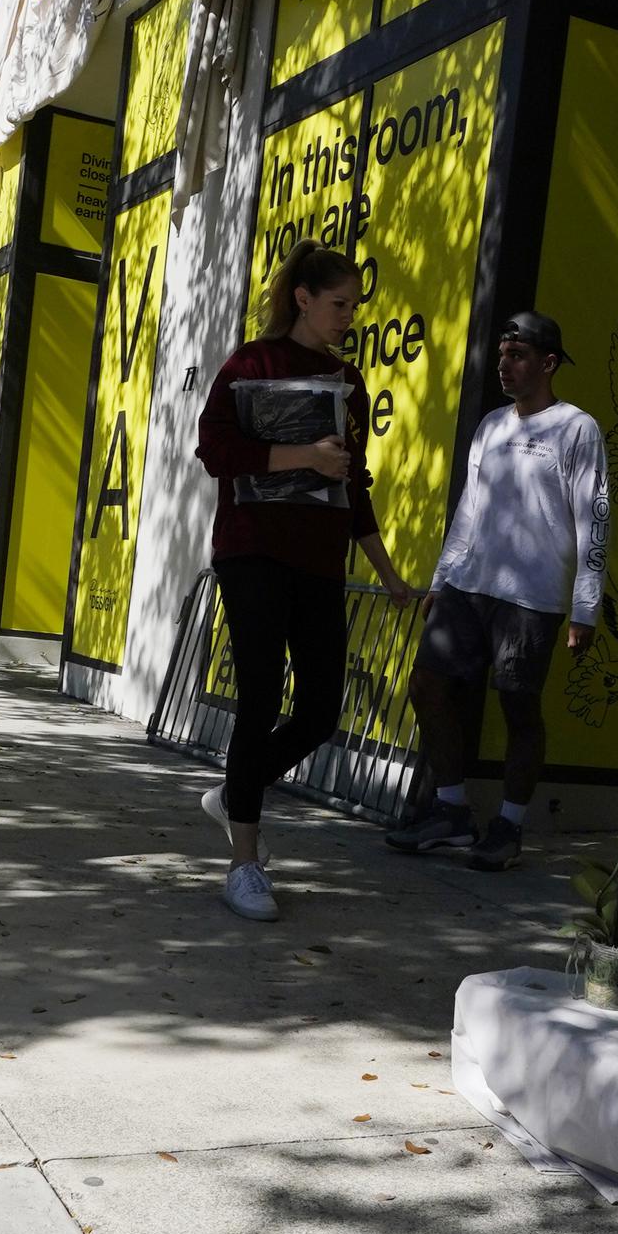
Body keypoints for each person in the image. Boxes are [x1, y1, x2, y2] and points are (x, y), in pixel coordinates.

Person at [192, 243, 416, 923]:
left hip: (320, 559)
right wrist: (303, 456)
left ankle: (240, 787)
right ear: (303, 298)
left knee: (321, 709)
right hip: (252, 550)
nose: (349, 316)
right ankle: (244, 862)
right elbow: (215, 453)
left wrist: (390, 574)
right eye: (339, 303)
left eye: (355, 306)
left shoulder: (348, 380)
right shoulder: (250, 364)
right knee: (259, 693)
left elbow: (353, 487)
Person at [386, 312, 608, 871]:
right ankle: (453, 812)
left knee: (518, 706)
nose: (505, 365)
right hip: (467, 585)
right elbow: (469, 509)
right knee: (427, 686)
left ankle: (509, 825)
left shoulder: (577, 428)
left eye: (519, 356)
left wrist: (585, 606)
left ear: (549, 363)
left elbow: (594, 519)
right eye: (503, 355)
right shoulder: (490, 426)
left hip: (531, 598)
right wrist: (441, 579)